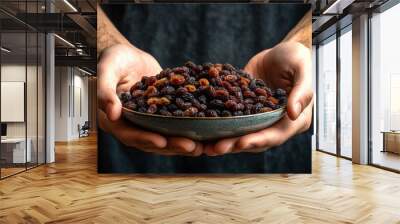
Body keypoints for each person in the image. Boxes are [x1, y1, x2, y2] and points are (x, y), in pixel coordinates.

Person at [97, 4, 313, 173]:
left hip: (277, 167)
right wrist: (108, 44)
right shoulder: (157, 90)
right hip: (131, 164)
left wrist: (302, 44)